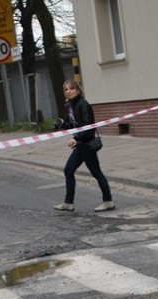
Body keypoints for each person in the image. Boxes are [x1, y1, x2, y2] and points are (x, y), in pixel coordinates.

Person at [54, 80, 114, 213]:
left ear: (78, 90)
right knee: (68, 170)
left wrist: (76, 138)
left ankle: (108, 201)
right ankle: (68, 203)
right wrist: (63, 124)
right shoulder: (72, 105)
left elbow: (88, 127)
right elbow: (74, 124)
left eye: (71, 88)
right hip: (81, 145)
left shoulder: (83, 105)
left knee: (96, 173)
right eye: (66, 89)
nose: (68, 91)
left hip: (87, 145)